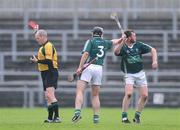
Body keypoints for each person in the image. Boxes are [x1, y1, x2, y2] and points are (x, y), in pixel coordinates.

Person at [71, 26, 122, 123]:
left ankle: (77, 113)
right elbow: (115, 41)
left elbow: (85, 54)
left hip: (88, 67)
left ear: (92, 33)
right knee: (95, 95)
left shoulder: (90, 41)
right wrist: (122, 38)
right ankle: (96, 118)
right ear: (101, 34)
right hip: (99, 69)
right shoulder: (105, 42)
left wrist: (80, 67)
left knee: (80, 92)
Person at [114, 30, 158, 123]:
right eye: (134, 36)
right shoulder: (123, 47)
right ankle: (124, 117)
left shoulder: (139, 45)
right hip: (129, 74)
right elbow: (116, 52)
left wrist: (154, 61)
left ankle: (137, 116)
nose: (135, 37)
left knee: (145, 96)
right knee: (129, 94)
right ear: (129, 38)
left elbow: (153, 50)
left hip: (140, 73)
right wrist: (122, 41)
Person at [30, 29, 61, 123]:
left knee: (50, 95)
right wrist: (36, 61)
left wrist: (37, 61)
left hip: (50, 71)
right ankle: (50, 118)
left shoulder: (48, 46)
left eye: (38, 38)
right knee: (47, 97)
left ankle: (57, 117)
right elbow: (44, 61)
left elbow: (49, 61)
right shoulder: (42, 47)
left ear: (43, 37)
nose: (37, 40)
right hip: (44, 72)